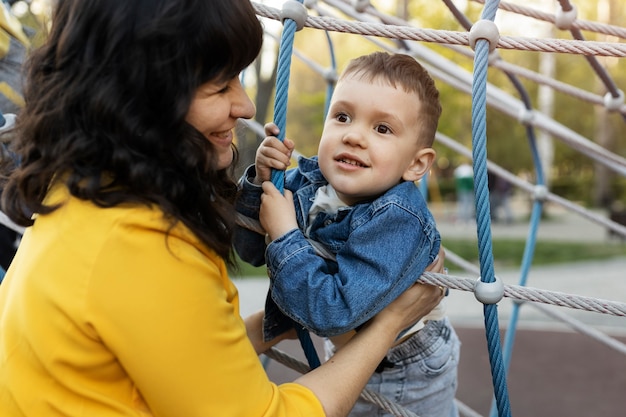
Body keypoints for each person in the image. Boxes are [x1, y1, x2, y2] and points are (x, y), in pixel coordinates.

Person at [0, 1, 447, 416]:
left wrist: (275, 324)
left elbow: (183, 351)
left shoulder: (80, 194)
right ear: (146, 100)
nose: (246, 105)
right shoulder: (141, 246)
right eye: (221, 85)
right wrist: (390, 322)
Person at [234, 52, 460, 417]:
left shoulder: (399, 218)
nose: (353, 135)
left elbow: (332, 312)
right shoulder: (308, 182)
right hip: (350, 349)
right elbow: (250, 252)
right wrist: (259, 183)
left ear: (416, 164)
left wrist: (284, 233)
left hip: (407, 364)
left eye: (382, 129)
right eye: (342, 117)